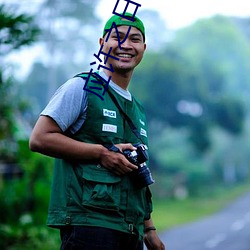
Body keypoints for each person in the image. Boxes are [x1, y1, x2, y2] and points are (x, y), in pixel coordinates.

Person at [29, 12, 165, 250]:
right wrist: (102, 153)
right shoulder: (82, 87)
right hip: (89, 225)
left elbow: (137, 170)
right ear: (102, 44)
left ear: (144, 48)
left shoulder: (138, 108)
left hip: (130, 229)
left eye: (134, 39)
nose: (126, 45)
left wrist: (149, 228)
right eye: (118, 37)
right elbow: (40, 138)